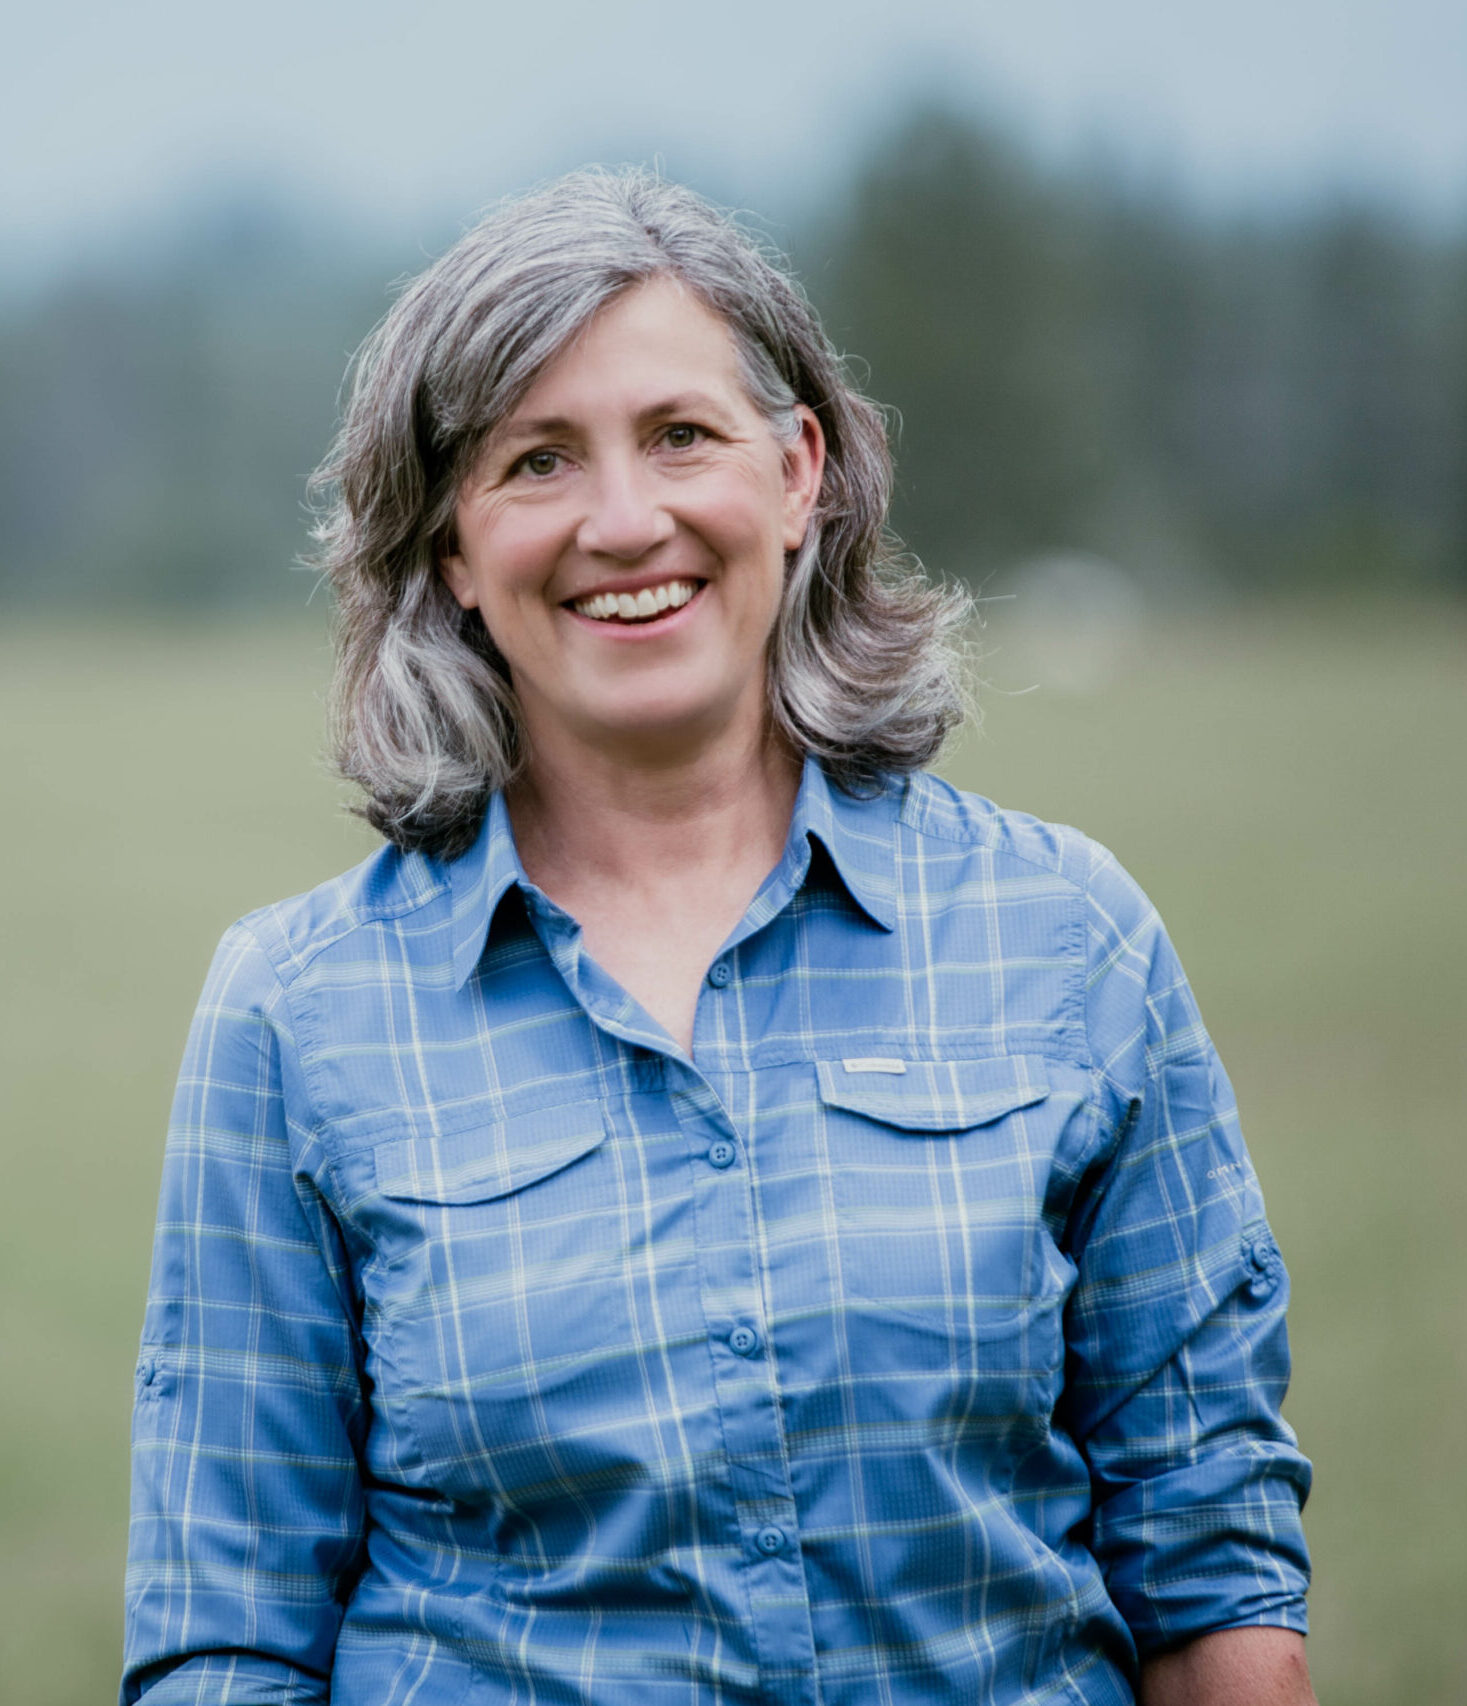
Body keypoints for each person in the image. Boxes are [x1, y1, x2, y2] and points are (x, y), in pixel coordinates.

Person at [122, 167, 1315, 1706]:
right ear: (450, 554)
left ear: (798, 469)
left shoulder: (1068, 938)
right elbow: (230, 1636)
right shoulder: (294, 1013)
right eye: (538, 461)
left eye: (681, 435)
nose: (627, 522)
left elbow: (1212, 1566)